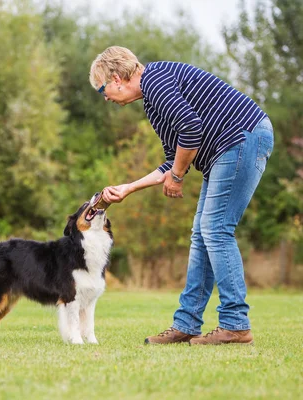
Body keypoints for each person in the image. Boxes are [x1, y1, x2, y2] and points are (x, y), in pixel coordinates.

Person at [89, 46, 273, 345]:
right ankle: (187, 324)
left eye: (102, 90)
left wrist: (176, 177)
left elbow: (190, 130)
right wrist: (129, 188)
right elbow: (173, 157)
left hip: (242, 138)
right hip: (228, 148)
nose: (106, 98)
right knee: (202, 233)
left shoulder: (156, 81)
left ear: (117, 78)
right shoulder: (153, 98)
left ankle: (236, 324)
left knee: (216, 230)